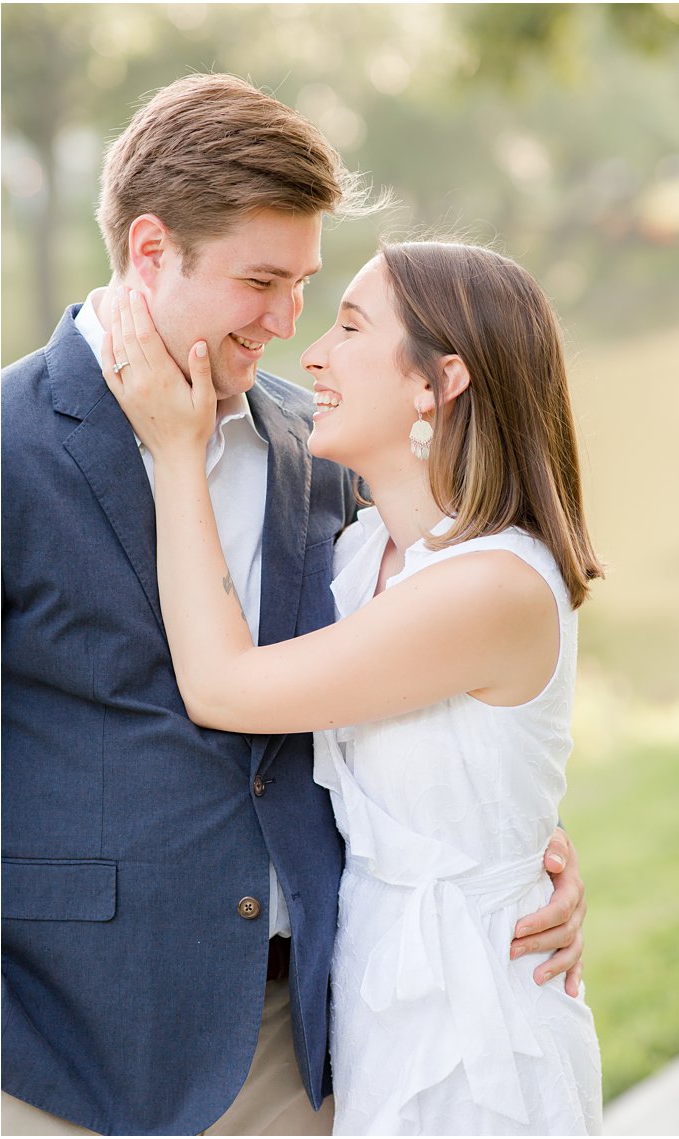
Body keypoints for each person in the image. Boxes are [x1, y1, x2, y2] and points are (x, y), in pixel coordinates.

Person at [1, 74, 587, 1137]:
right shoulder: (10, 445)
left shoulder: (317, 446)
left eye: (310, 286)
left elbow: (431, 688)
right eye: (261, 281)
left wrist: (523, 853)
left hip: (305, 1035)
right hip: (60, 1048)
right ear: (148, 252)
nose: (288, 323)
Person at [104, 239, 603, 1134]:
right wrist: (532, 836)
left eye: (348, 325)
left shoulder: (494, 584)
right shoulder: (360, 552)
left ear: (436, 382)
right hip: (372, 1000)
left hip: (471, 1018)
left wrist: (178, 452)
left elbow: (223, 687)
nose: (313, 354)